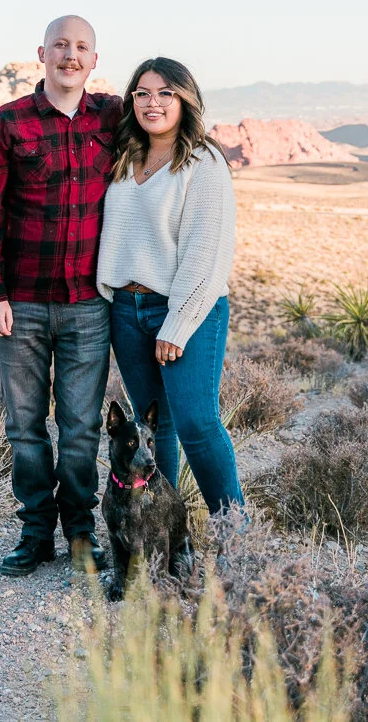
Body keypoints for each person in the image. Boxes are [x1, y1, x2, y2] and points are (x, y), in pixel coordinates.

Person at [0, 15, 121, 577]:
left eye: (82, 47)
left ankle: (81, 534)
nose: (70, 56)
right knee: (25, 428)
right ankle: (36, 534)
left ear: (95, 60)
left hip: (89, 304)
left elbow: (167, 128)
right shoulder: (7, 123)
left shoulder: (112, 116)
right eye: (61, 45)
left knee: (80, 429)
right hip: (22, 305)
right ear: (41, 53)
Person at [97, 57, 244, 515]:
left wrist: (177, 323)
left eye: (166, 93)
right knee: (153, 429)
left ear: (185, 99)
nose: (153, 102)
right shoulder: (125, 157)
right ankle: (163, 530)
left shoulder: (203, 161)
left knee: (197, 423)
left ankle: (235, 539)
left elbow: (207, 248)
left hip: (184, 309)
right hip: (126, 308)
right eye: (142, 93)